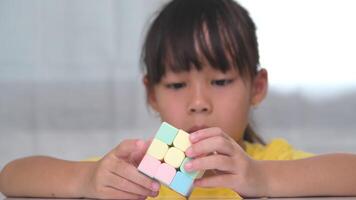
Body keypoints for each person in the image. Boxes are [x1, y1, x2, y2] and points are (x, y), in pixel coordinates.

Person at [1, 0, 356, 199]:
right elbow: (12, 176)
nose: (198, 102)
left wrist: (264, 178)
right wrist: (86, 179)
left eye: (219, 80)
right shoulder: (136, 171)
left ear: (257, 87)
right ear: (150, 94)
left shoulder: (268, 163)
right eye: (175, 85)